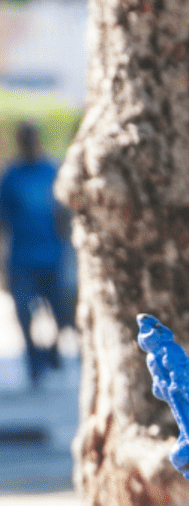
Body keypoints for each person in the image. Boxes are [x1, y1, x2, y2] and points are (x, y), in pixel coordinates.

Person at [0, 121, 75, 388]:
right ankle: (34, 363)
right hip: (22, 258)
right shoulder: (11, 177)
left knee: (61, 314)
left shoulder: (52, 171)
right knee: (24, 313)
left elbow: (65, 211)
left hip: (53, 255)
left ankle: (53, 349)